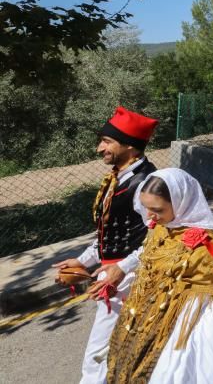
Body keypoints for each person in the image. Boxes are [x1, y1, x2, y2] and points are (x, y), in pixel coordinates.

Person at [106, 168, 213, 384]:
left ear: (181, 203)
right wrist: (123, 266)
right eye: (146, 208)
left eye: (157, 210)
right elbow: (147, 251)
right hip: (144, 316)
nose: (149, 217)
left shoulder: (205, 243)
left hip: (182, 327)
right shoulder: (163, 226)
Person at [54, 107, 158, 384]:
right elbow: (108, 232)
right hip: (116, 274)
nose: (100, 148)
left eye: (107, 141)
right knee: (126, 345)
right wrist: (85, 260)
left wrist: (121, 268)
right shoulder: (118, 178)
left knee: (98, 353)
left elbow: (159, 240)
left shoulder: (145, 184)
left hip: (130, 276)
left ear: (130, 146)